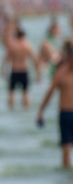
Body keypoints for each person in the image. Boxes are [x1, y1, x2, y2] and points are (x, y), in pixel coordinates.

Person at [36, 40, 73, 168]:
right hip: (65, 113)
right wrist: (41, 111)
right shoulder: (60, 72)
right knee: (66, 147)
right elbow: (49, 93)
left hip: (66, 114)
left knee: (66, 147)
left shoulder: (60, 72)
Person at [3, 27, 38, 110]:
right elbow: (34, 59)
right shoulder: (27, 46)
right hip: (24, 70)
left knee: (11, 92)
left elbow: (6, 59)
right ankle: (26, 109)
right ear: (24, 36)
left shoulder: (12, 46)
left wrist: (2, 70)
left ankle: (11, 109)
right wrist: (38, 71)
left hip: (14, 70)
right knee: (25, 92)